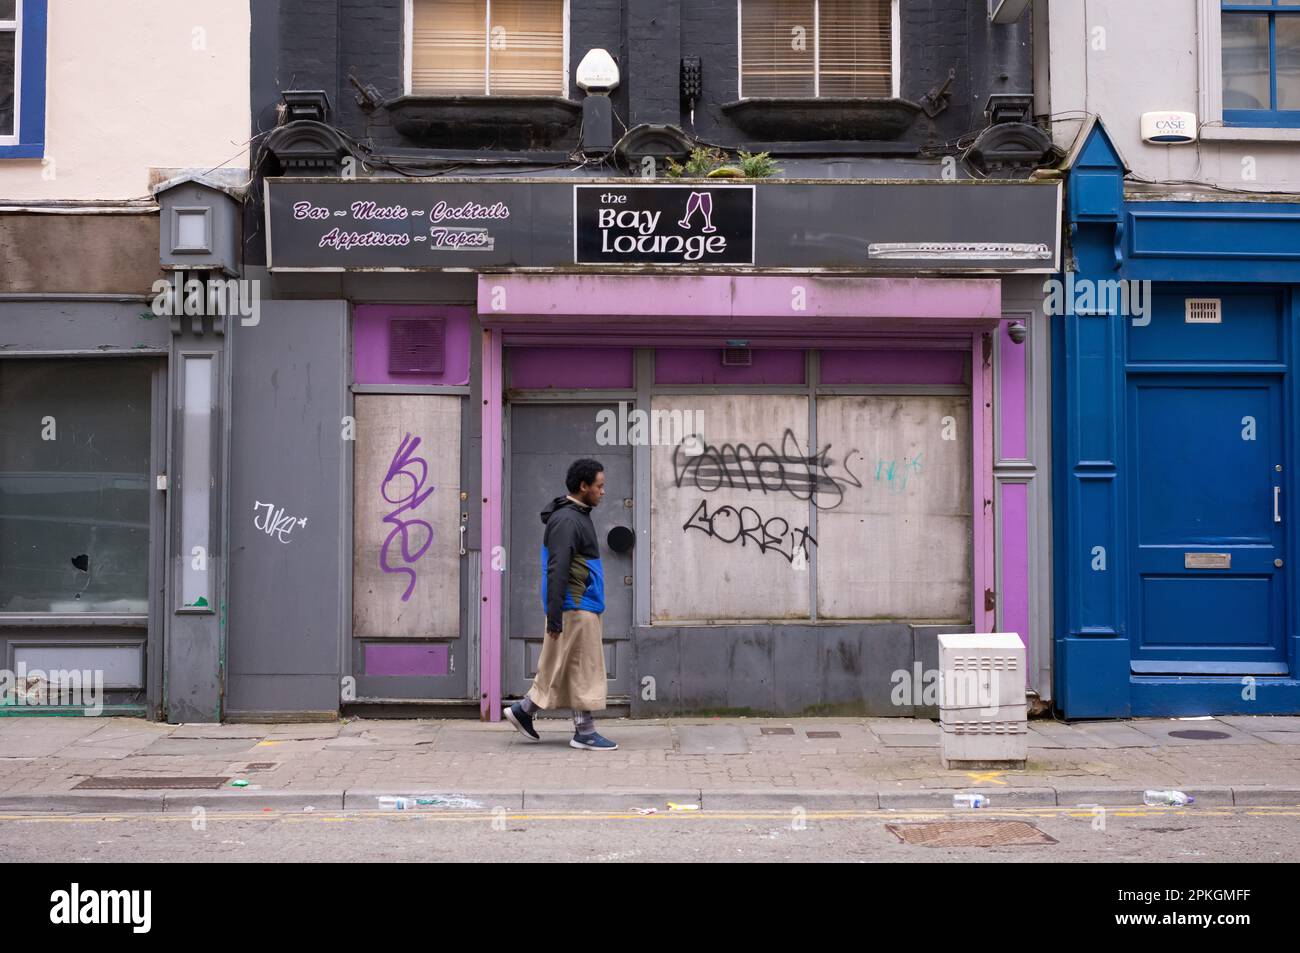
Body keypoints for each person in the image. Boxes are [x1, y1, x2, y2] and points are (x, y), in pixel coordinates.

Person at [504, 458, 618, 750]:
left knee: (564, 666)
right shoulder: (568, 520)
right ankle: (585, 731)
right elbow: (557, 567)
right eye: (599, 486)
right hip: (575, 606)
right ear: (583, 486)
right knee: (582, 668)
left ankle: (524, 710)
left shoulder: (575, 515)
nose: (603, 491)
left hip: (581, 604)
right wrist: (554, 615)